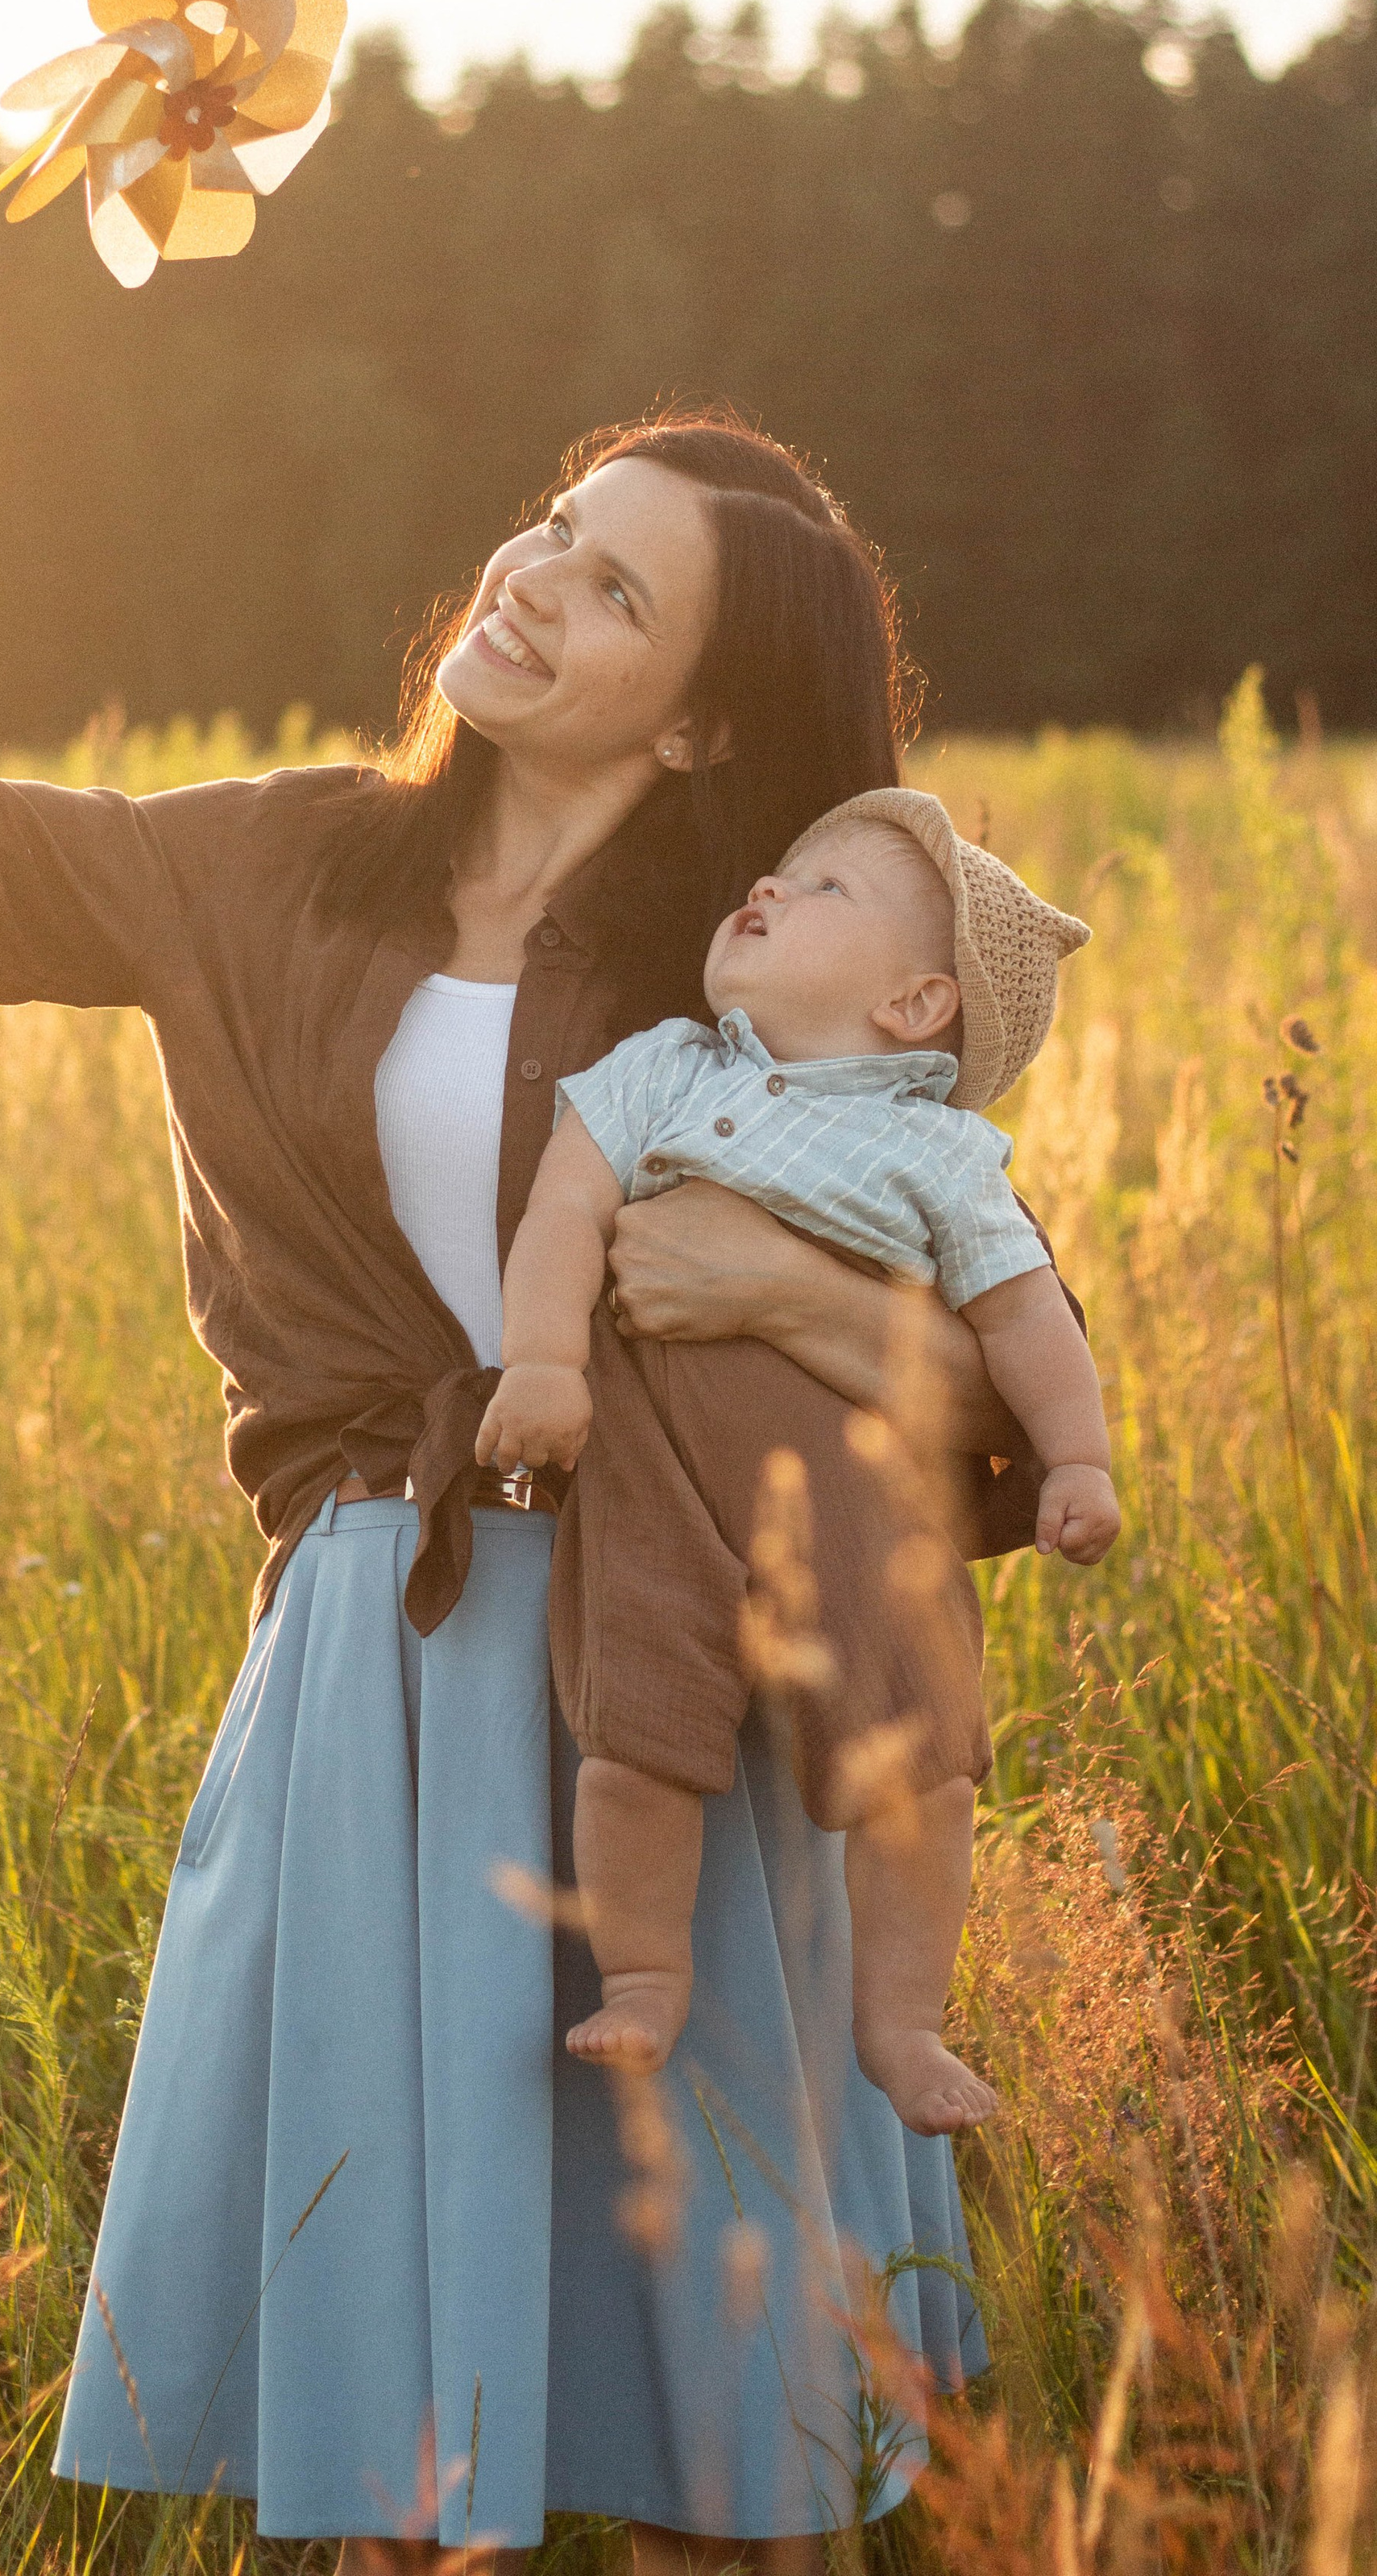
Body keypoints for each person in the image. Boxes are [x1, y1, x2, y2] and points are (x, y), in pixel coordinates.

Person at [0, 248, 1076, 2570]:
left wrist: (778, 1288)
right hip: (385, 1677)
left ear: (707, 725)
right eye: (552, 522)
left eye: (615, 590)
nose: (530, 579)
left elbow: (998, 1398)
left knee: (738, 2437)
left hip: (691, 1684)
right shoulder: (271, 860)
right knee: (397, 2453)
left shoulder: (759, 976)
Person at [478, 791, 1118, 2128]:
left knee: (920, 1761)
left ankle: (902, 2024)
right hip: (649, 1478)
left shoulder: (942, 1152)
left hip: (861, 1501)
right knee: (633, 1737)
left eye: (822, 891)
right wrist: (539, 1363)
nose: (765, 887)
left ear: (916, 1006)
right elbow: (563, 1212)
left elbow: (1023, 1318)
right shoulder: (659, 1068)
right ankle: (645, 1973)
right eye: (774, 868)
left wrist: (1078, 1461)